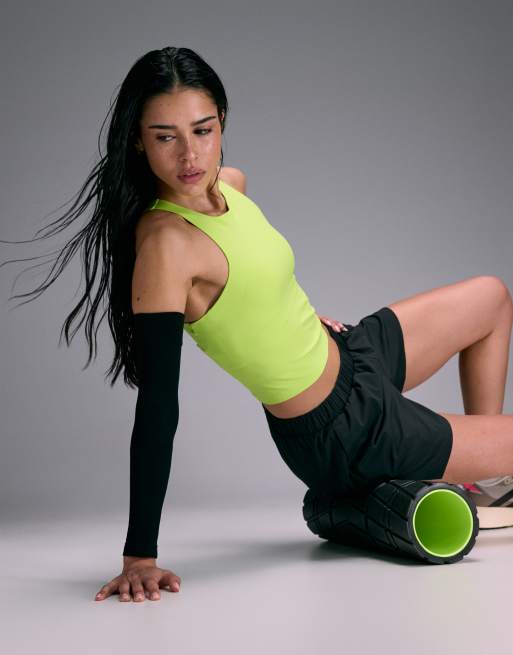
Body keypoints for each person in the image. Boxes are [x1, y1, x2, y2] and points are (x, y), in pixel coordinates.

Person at [2, 47, 512, 603]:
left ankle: (481, 483)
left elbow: (255, 280)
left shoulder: (231, 184)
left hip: (353, 353)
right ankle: (458, 465)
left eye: (202, 130)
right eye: (165, 137)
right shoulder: (166, 247)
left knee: (491, 297)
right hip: (343, 429)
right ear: (138, 141)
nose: (190, 155)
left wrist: (303, 316)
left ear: (221, 121)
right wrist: (139, 556)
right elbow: (157, 407)